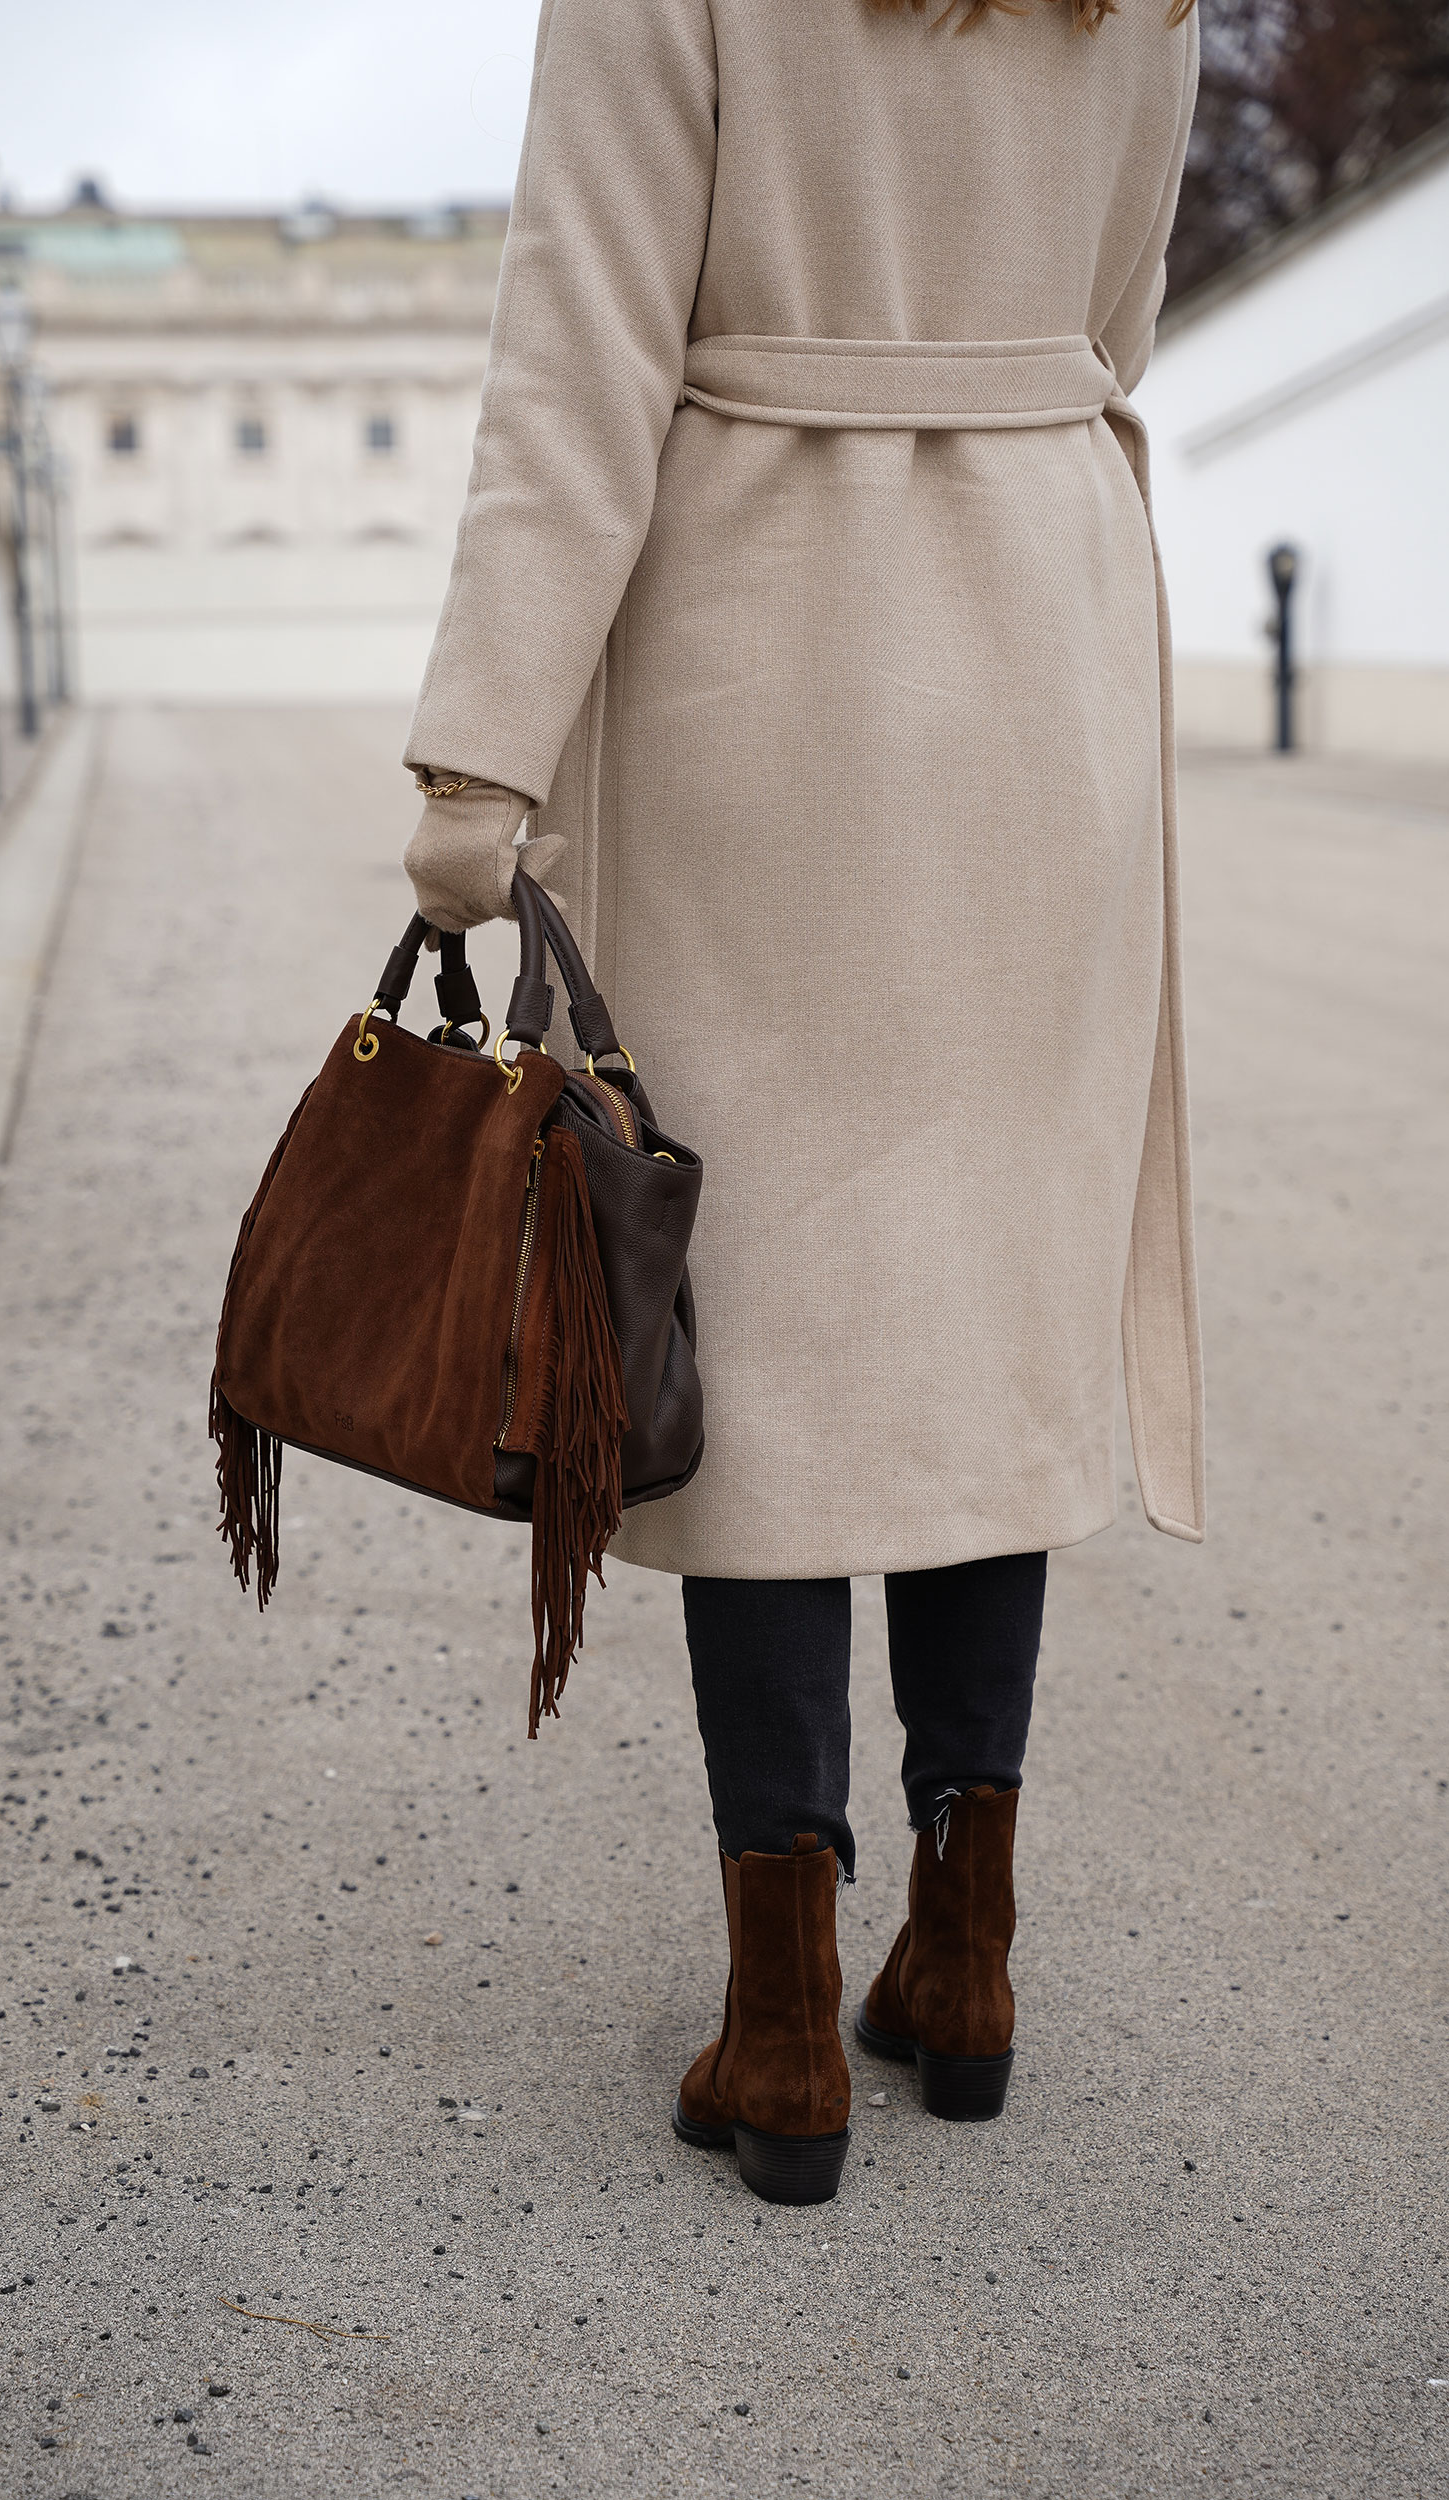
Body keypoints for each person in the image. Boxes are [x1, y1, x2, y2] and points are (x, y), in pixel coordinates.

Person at [401, 0, 1204, 2207]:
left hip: (764, 648)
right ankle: (965, 1944)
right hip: (1045, 648)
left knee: (731, 1315)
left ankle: (782, 2013)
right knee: (980, 1298)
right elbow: (1111, 316)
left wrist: (481, 757)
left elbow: (579, 353)